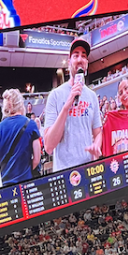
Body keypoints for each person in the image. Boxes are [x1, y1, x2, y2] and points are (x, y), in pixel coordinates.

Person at [43, 38, 102, 172]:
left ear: (87, 63)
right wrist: (66, 106)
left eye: (84, 56)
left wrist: (96, 146)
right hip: (65, 174)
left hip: (89, 170)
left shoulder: (92, 96)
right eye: (76, 55)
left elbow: (98, 133)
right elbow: (48, 146)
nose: (80, 59)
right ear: (69, 62)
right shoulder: (55, 95)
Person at [0, 88, 43, 184]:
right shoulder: (30, 124)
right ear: (21, 104)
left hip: (3, 184)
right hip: (25, 183)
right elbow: (36, 158)